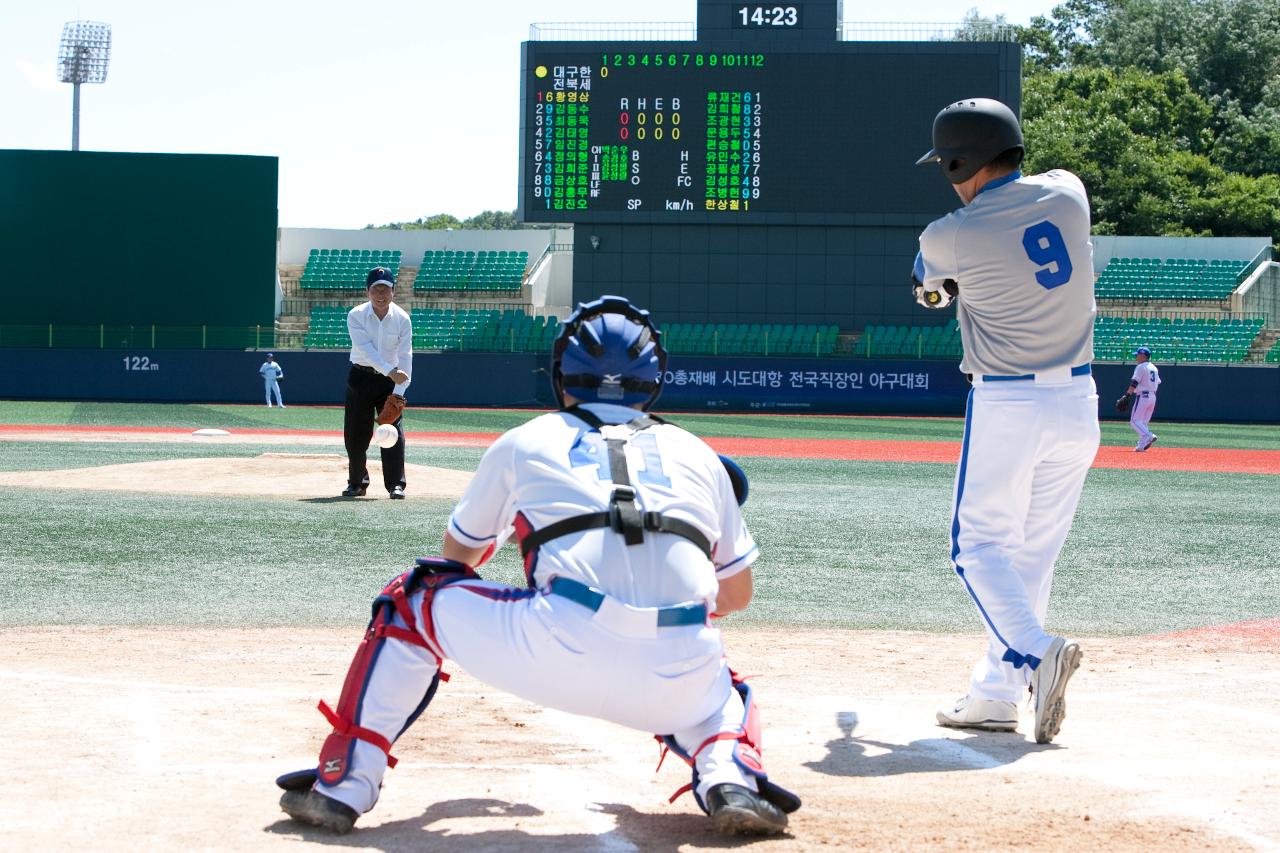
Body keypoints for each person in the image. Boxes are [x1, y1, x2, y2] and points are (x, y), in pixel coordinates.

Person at [275, 296, 801, 836]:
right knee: (721, 692)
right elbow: (736, 594)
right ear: (654, 380)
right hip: (677, 674)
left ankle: (343, 784)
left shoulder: (527, 439)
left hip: (556, 643)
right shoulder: (698, 453)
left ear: (562, 376)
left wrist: (525, 533)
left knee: (412, 599)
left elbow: (455, 561)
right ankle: (731, 775)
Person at [912, 98, 1098, 744]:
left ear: (961, 160)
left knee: (977, 548)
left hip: (1009, 403)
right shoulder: (1069, 195)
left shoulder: (949, 233)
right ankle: (996, 691)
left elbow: (930, 290)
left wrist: (946, 286)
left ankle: (1038, 652)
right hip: (1079, 401)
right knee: (1032, 555)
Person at [342, 266, 412, 499]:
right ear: (367, 291)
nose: (381, 294)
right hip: (360, 377)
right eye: (376, 289)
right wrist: (391, 371)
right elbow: (366, 350)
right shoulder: (355, 315)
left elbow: (406, 355)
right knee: (355, 434)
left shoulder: (402, 319)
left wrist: (399, 392)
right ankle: (357, 483)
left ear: (393, 291)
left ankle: (395, 484)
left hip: (388, 384)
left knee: (392, 432)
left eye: (386, 289)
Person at [1125, 346, 1161, 451]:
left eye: (1137, 355)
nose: (1136, 357)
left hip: (1143, 396)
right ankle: (1141, 446)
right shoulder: (1154, 367)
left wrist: (1127, 394)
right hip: (1153, 396)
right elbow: (1158, 381)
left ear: (1143, 356)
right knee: (1143, 423)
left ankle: (1149, 436)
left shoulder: (1141, 367)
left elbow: (1134, 382)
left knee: (1134, 421)